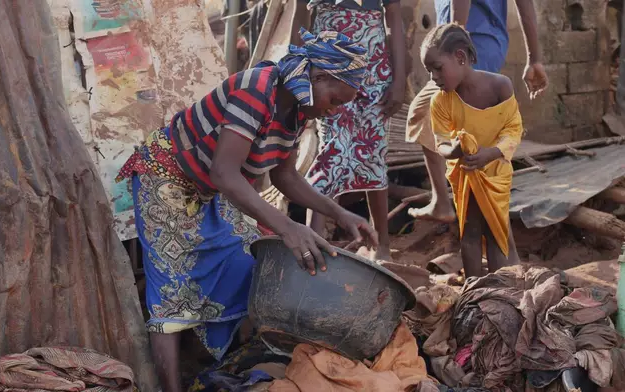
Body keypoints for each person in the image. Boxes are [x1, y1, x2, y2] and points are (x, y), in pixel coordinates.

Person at [115, 29, 378, 392]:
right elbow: (224, 172)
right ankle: (170, 387)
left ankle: (223, 366)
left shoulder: (297, 108)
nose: (332, 110)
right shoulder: (258, 89)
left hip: (213, 187)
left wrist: (340, 213)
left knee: (246, 262)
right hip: (166, 176)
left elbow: (286, 177)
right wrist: (287, 227)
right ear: (317, 76)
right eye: (334, 99)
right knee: (173, 288)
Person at [406, 0, 549, 223]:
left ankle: (467, 204)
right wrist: (534, 58)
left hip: (468, 44)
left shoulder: (459, 57)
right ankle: (454, 202)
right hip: (475, 43)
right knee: (449, 118)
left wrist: (454, 38)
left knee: (429, 113)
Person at [291, 0, 406, 261]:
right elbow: (300, 14)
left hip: (374, 73)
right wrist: (297, 71)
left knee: (374, 155)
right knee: (332, 150)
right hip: (327, 69)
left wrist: (399, 81)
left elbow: (394, 20)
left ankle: (382, 247)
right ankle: (314, 242)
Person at [420, 23, 523, 277]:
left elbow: (513, 130)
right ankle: (474, 289)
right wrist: (454, 150)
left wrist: (491, 153)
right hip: (465, 177)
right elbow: (441, 142)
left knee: (495, 231)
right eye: (429, 71)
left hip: (495, 174)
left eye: (437, 68)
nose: (433, 77)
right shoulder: (440, 101)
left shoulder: (501, 86)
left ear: (460, 57)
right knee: (469, 231)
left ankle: (498, 292)